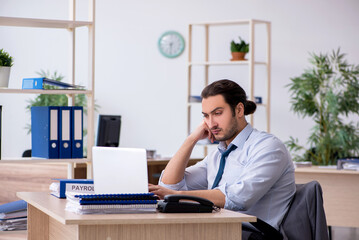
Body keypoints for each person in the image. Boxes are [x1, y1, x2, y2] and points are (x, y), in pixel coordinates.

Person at [149, 79, 295, 237]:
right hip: (219, 230)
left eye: (217, 113)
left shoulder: (268, 147)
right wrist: (191, 139)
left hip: (253, 233)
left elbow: (239, 198)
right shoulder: (218, 155)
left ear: (239, 110)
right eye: (206, 116)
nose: (211, 124)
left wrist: (177, 197)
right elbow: (169, 185)